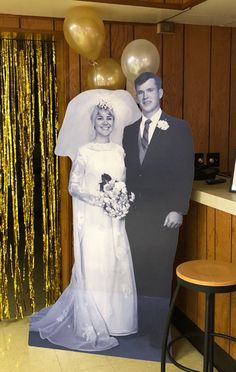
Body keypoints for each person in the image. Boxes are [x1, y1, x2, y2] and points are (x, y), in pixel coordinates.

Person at [30, 89, 142, 351]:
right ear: (92, 122)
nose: (105, 122)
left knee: (116, 266)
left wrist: (119, 199)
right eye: (100, 118)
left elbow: (122, 182)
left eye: (109, 118)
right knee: (96, 266)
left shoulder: (118, 151)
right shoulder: (84, 151)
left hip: (114, 220)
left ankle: (117, 323)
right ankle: (93, 323)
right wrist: (101, 197)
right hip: (93, 220)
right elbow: (74, 186)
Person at [123, 72, 194, 338]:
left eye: (150, 91)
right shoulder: (129, 132)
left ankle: (157, 338)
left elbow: (185, 171)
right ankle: (139, 329)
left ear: (161, 93)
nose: (145, 97)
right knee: (137, 273)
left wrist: (179, 208)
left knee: (160, 275)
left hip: (165, 217)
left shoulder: (178, 128)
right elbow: (127, 173)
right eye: (140, 93)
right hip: (134, 217)